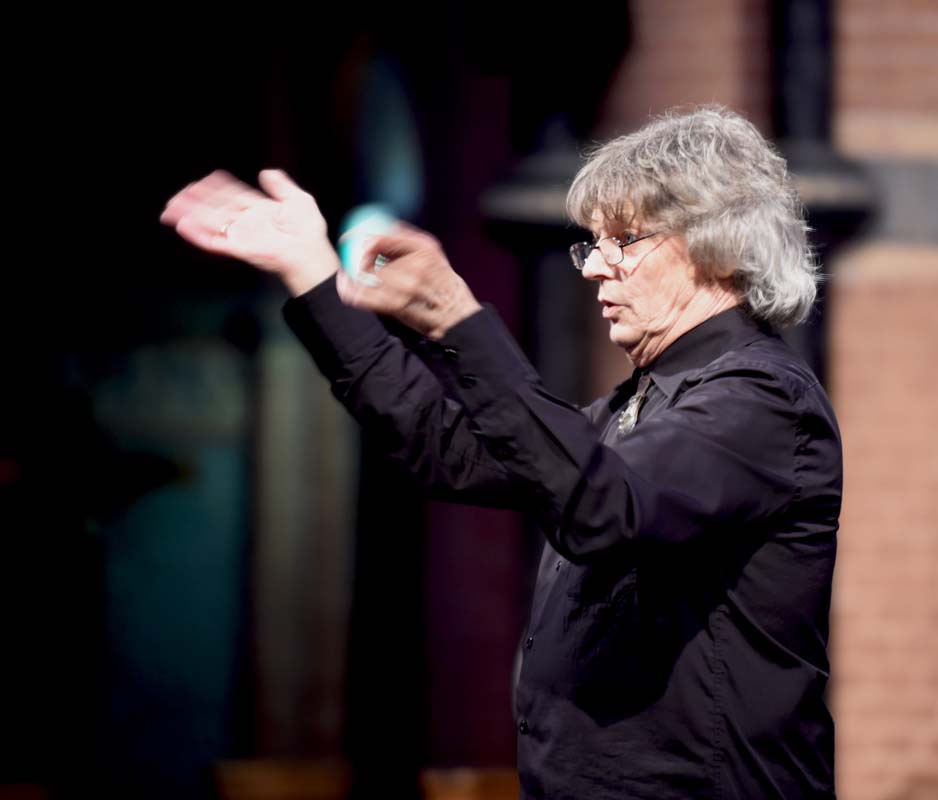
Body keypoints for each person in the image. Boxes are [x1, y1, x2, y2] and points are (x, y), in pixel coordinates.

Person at [162, 105, 842, 799]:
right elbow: (445, 447)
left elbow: (601, 507)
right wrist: (311, 271)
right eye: (592, 244)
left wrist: (458, 317)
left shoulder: (761, 400)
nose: (594, 267)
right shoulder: (638, 407)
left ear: (717, 246)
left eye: (623, 240)